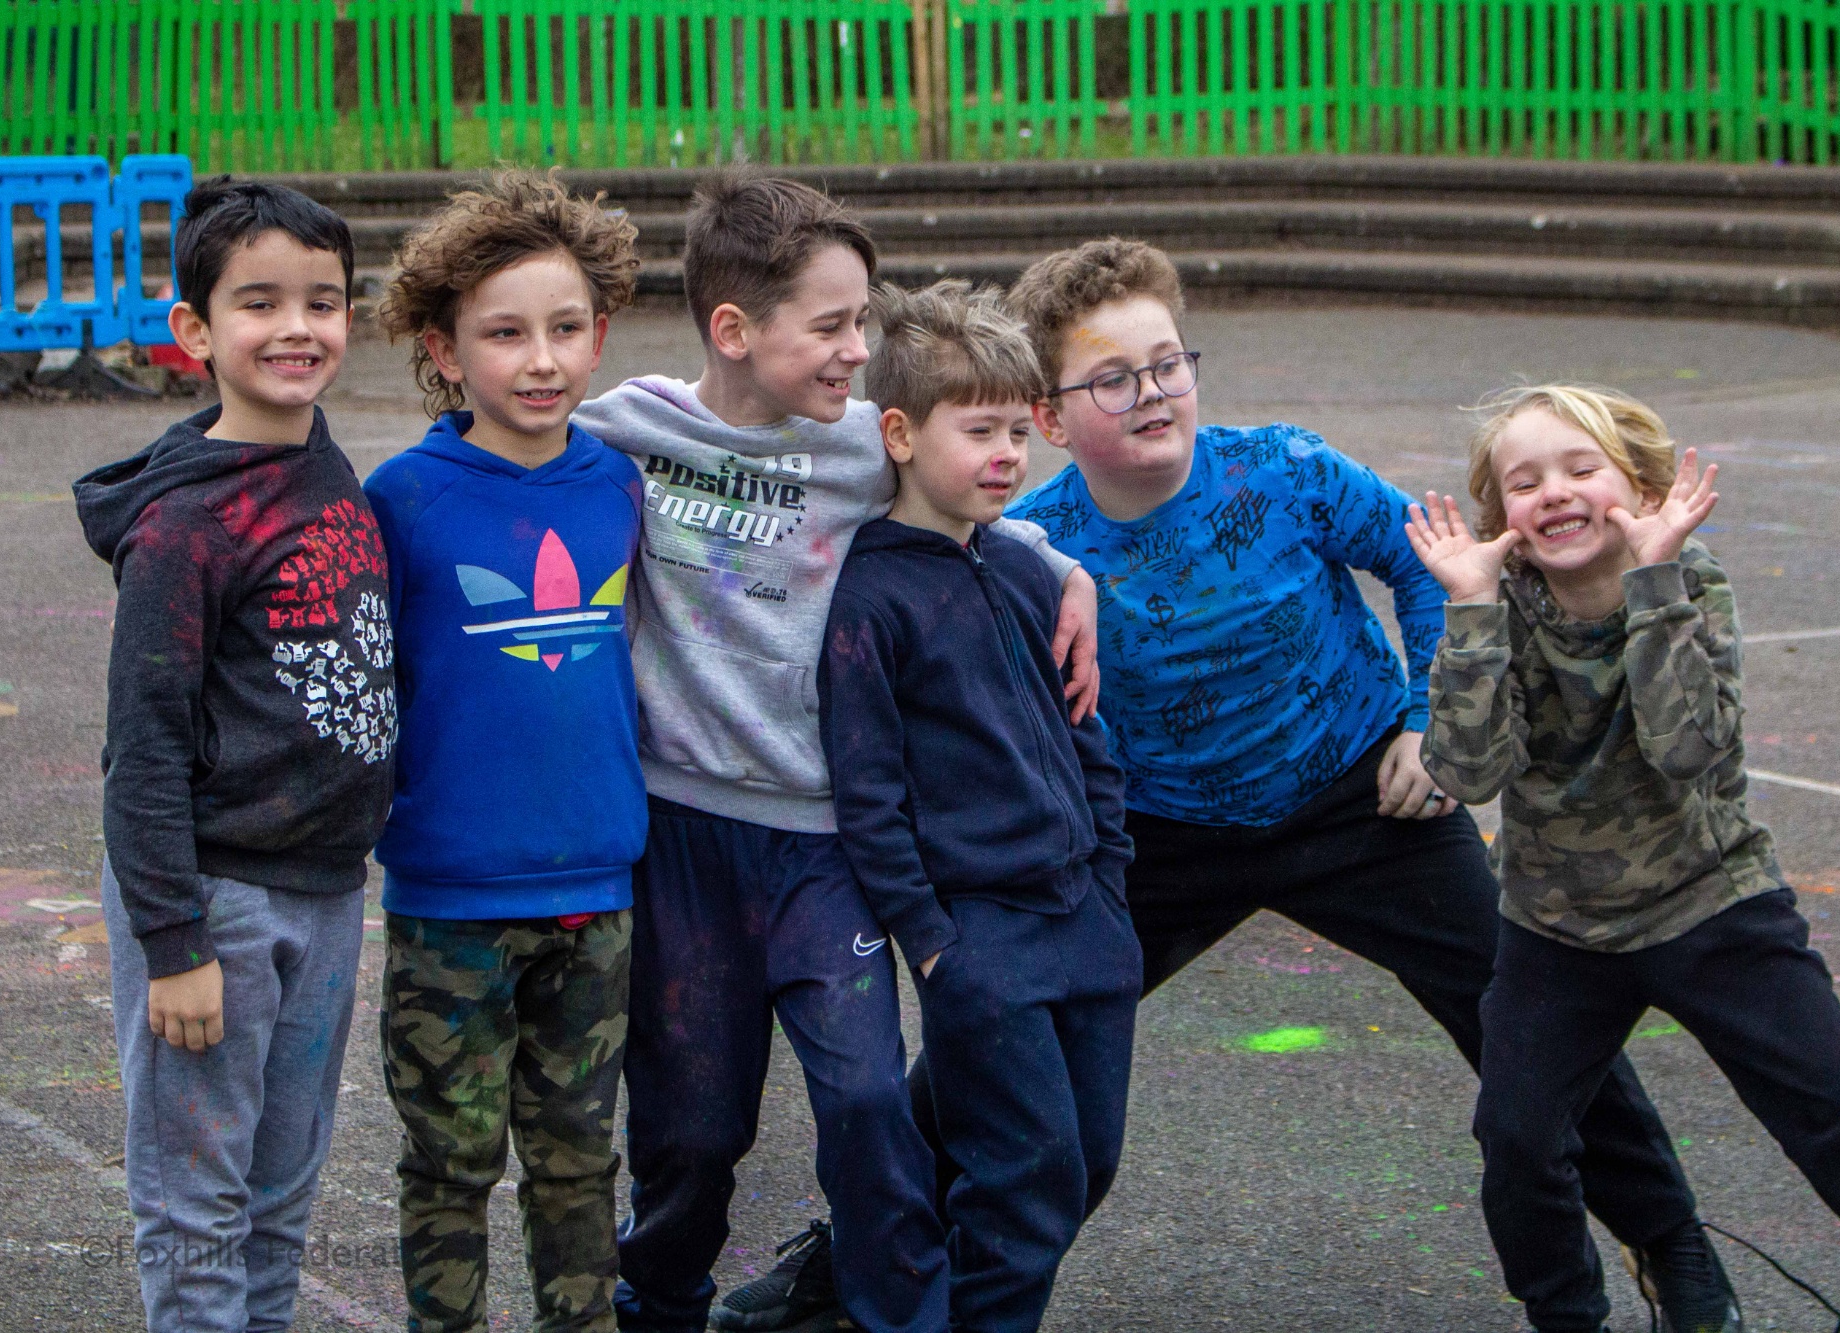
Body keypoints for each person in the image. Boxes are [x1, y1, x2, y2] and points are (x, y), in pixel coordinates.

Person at [728, 240, 1735, 1333]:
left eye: (1167, 361)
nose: (1152, 391)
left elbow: (1428, 562)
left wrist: (1421, 719)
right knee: (998, 1043)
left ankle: (1669, 1240)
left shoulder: (1285, 470)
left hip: (1358, 801)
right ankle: (848, 1255)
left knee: (1526, 1012)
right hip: (1163, 836)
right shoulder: (1030, 538)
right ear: (1052, 419)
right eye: (1112, 377)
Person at [570, 174, 1101, 1333]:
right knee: (691, 1132)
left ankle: (895, 1313)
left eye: (862, 321)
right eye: (832, 324)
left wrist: (1070, 575)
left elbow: (979, 503)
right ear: (733, 330)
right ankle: (660, 1299)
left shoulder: (867, 444)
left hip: (826, 847)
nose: (858, 351)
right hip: (683, 842)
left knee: (865, 1097)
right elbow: (509, 449)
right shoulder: (628, 427)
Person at [1410, 384, 1840, 1333]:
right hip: (1558, 924)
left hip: (1710, 900)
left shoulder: (1691, 580)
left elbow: (1687, 749)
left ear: (1644, 485)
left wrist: (1653, 585)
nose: (1555, 492)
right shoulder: (1490, 606)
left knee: (1836, 1101)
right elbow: (1465, 772)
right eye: (1525, 481)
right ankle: (1567, 1316)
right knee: (1519, 1138)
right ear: (1501, 518)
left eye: (1581, 468)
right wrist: (1467, 612)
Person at [74, 179, 394, 1333]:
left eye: (324, 300)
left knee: (278, 1201)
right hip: (211, 901)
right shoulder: (184, 525)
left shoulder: (321, 464)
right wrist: (172, 944)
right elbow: (143, 747)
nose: (298, 327)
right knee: (197, 1211)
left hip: (322, 895)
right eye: (260, 303)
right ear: (196, 333)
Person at [818, 280, 1140, 1333]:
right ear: (901, 434)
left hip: (1082, 919)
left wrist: (1108, 874)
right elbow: (866, 791)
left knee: (1082, 1165)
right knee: (1024, 1180)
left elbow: (1085, 731)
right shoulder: (870, 595)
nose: (1007, 454)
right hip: (978, 938)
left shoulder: (1027, 566)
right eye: (980, 430)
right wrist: (933, 944)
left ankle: (905, 1301)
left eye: (1018, 430)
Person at [365, 171, 650, 1333]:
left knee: (580, 1157)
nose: (541, 359)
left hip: (595, 888)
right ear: (443, 348)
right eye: (504, 333)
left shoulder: (619, 483)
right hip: (449, 899)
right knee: (449, 1159)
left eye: (566, 329)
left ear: (599, 335)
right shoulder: (401, 498)